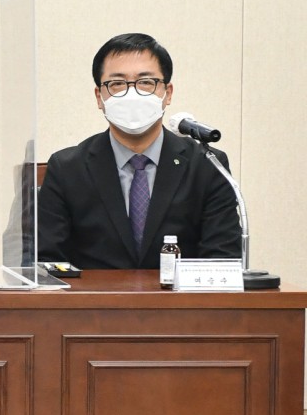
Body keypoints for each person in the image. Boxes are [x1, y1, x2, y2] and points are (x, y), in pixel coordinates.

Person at [38, 33, 240, 269]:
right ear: (99, 97)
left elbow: (223, 259)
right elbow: (46, 262)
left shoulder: (208, 165)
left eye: (145, 82)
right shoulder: (68, 168)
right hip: (94, 294)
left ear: (168, 93)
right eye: (117, 84)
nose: (132, 94)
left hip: (180, 294)